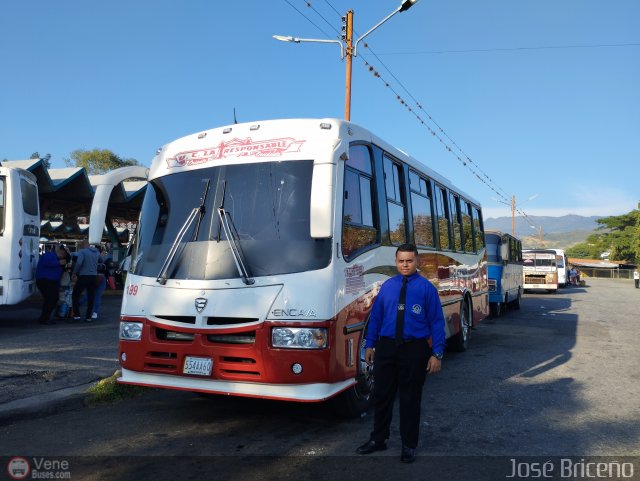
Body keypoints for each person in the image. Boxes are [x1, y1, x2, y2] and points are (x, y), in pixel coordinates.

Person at [356, 243, 445, 463]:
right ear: (396, 262)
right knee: (382, 396)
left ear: (417, 262)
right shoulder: (387, 286)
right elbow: (376, 317)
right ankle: (378, 439)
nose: (405, 265)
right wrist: (369, 344)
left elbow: (436, 322)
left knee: (410, 398)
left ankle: (409, 445)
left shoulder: (426, 289)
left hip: (414, 350)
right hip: (386, 348)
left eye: (409, 261)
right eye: (401, 261)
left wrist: (437, 354)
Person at [70, 239, 100, 323]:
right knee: (91, 297)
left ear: (83, 244)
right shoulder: (97, 253)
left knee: (75, 295)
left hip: (84, 276)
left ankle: (77, 316)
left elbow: (79, 263)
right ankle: (88, 317)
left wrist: (74, 272)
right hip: (93, 277)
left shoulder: (82, 252)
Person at [35, 245, 66, 325]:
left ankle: (45, 317)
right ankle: (44, 319)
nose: (63, 257)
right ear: (60, 252)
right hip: (45, 280)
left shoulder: (54, 257)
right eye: (63, 255)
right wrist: (58, 263)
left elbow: (57, 272)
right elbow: (47, 263)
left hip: (50, 281)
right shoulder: (49, 255)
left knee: (51, 299)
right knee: (51, 299)